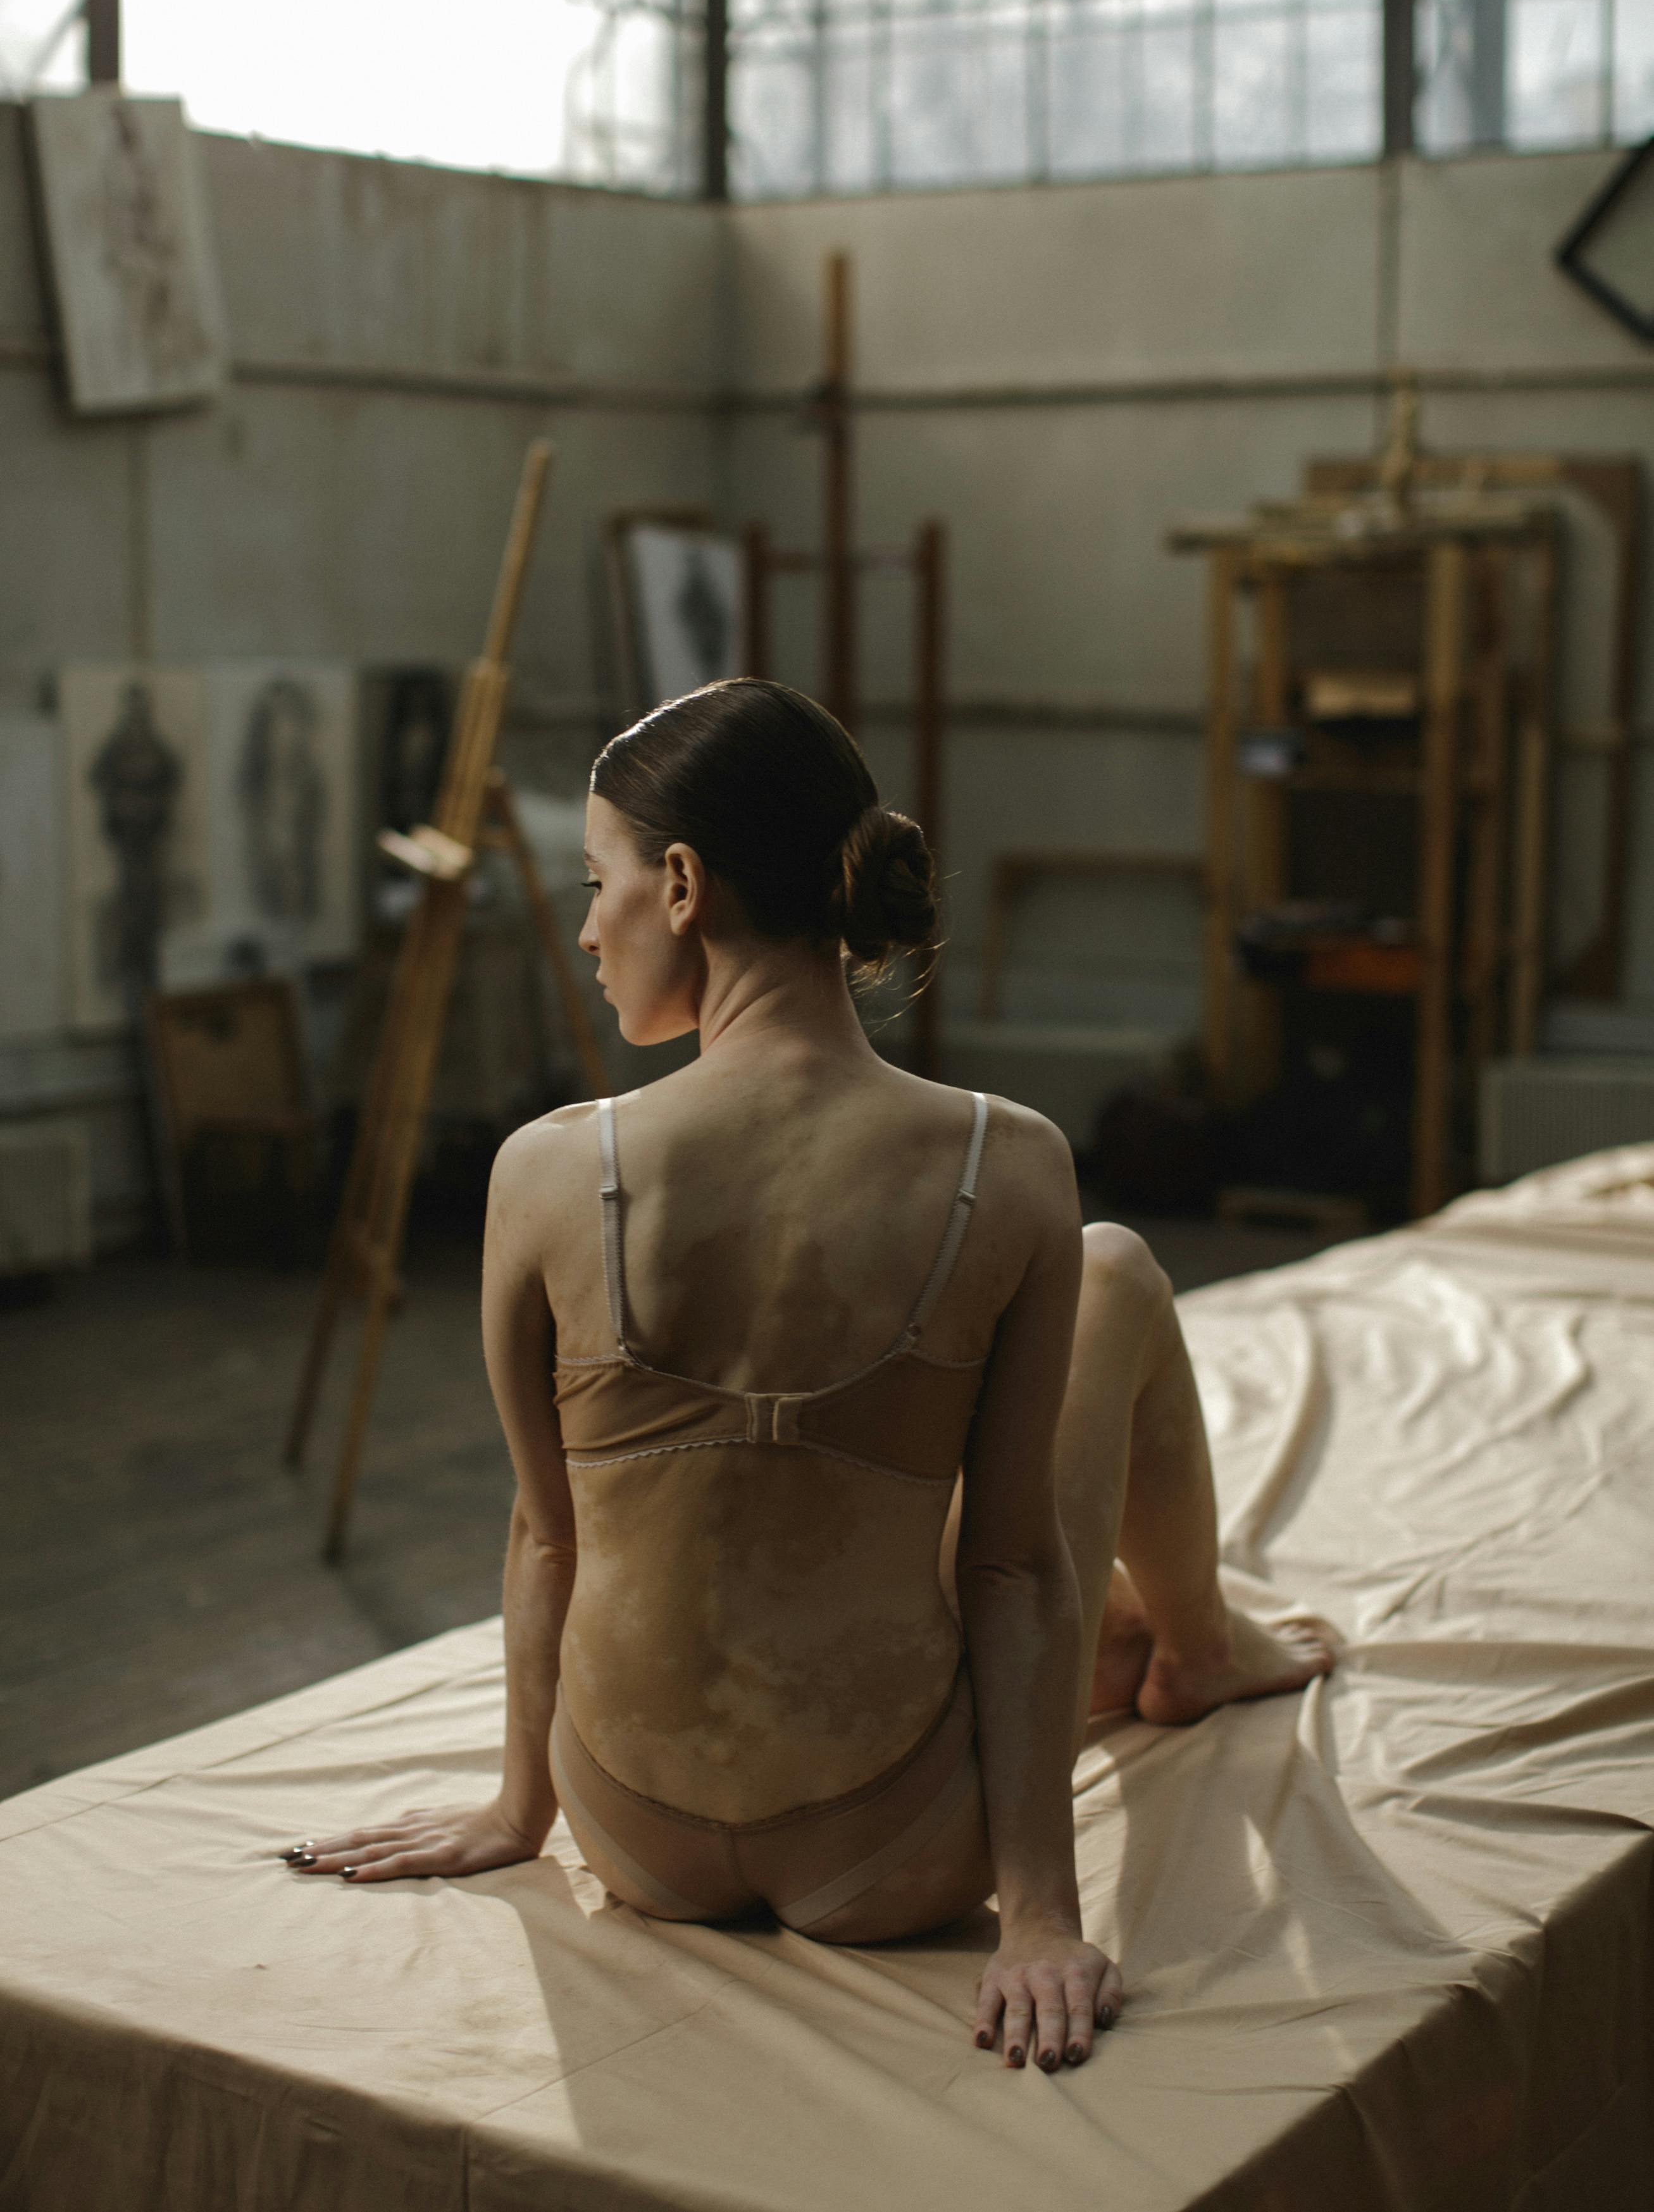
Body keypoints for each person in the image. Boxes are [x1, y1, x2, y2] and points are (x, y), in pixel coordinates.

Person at [290, 680, 1332, 2073]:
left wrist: (518, 1804)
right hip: (889, 1847)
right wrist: (1034, 1913)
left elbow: (551, 1530)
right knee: (1117, 1269)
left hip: (629, 1821)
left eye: (594, 884)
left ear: (679, 881)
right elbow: (1013, 1566)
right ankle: (1197, 1647)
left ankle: (1173, 1638)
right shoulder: (1001, 1161)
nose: (590, 929)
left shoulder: (545, 1169)